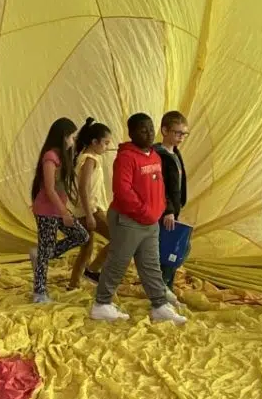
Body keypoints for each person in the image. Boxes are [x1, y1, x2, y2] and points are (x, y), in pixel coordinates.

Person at [89, 114, 187, 325]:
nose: (149, 133)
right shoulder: (126, 158)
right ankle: (101, 304)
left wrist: (159, 207)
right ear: (132, 133)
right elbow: (123, 191)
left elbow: (159, 186)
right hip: (128, 220)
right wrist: (144, 211)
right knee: (118, 262)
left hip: (150, 221)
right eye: (143, 130)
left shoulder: (154, 156)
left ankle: (159, 305)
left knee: (150, 264)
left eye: (151, 129)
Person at [28, 118, 90, 302]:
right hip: (47, 211)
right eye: (71, 137)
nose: (73, 140)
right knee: (45, 250)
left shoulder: (65, 156)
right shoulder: (50, 157)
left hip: (59, 209)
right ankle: (39, 292)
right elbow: (49, 189)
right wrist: (64, 213)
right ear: (63, 137)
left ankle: (41, 253)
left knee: (82, 236)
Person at [68, 119, 112, 289]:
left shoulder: (84, 157)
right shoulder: (90, 159)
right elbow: (83, 188)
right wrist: (89, 215)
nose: (107, 147)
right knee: (120, 240)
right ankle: (93, 270)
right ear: (95, 142)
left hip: (84, 211)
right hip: (91, 210)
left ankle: (73, 284)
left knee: (86, 249)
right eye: (106, 143)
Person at [156, 111, 191, 288]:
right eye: (177, 133)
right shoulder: (159, 155)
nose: (181, 137)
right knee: (169, 250)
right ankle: (161, 288)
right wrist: (168, 210)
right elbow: (159, 187)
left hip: (173, 210)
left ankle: (165, 286)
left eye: (184, 134)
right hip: (162, 211)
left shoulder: (175, 153)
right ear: (164, 130)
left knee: (178, 249)